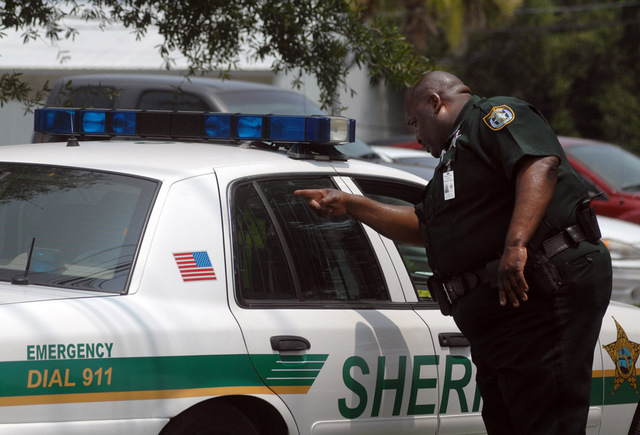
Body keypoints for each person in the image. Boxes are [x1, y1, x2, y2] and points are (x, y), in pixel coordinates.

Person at [295, 71, 612, 434]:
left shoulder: (493, 117)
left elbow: (539, 164)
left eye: (416, 122)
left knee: (547, 422)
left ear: (435, 102)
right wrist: (352, 205)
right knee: (509, 422)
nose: (416, 135)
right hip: (502, 318)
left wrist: (516, 244)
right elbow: (423, 226)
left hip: (542, 293)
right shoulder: (454, 158)